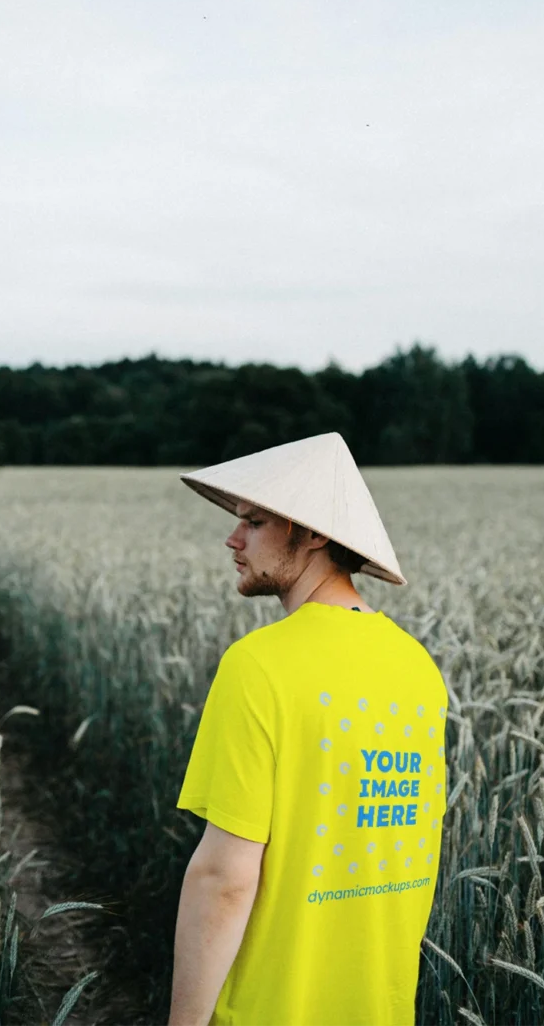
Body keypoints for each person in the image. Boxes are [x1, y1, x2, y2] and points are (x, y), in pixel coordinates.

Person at [168, 432, 448, 1026]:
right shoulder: (417, 667)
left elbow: (224, 878)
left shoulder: (258, 665)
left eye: (254, 522)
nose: (232, 537)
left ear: (315, 532)